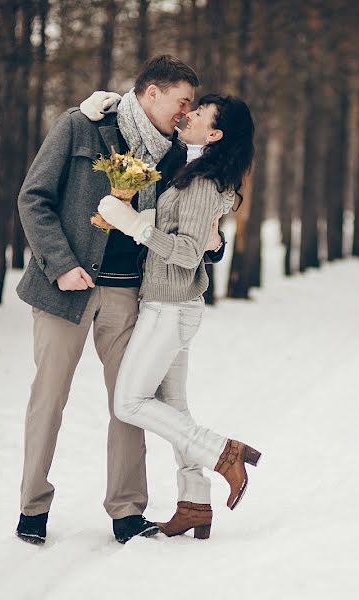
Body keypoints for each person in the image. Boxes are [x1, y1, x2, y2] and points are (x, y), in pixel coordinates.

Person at [15, 55, 224, 546]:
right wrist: (61, 264)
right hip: (64, 287)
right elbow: (34, 198)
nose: (186, 112)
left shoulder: (176, 152)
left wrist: (215, 243)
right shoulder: (81, 126)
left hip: (130, 292)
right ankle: (32, 507)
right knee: (49, 398)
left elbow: (200, 210)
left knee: (129, 402)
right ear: (152, 92)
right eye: (182, 101)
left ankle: (128, 511)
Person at [95, 93, 261, 540]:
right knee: (175, 408)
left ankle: (224, 454)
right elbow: (194, 236)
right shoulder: (195, 171)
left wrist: (133, 224)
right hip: (172, 304)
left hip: (169, 306)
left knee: (128, 402)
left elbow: (188, 253)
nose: (186, 116)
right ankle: (194, 503)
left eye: (199, 113)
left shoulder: (203, 182)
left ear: (214, 134)